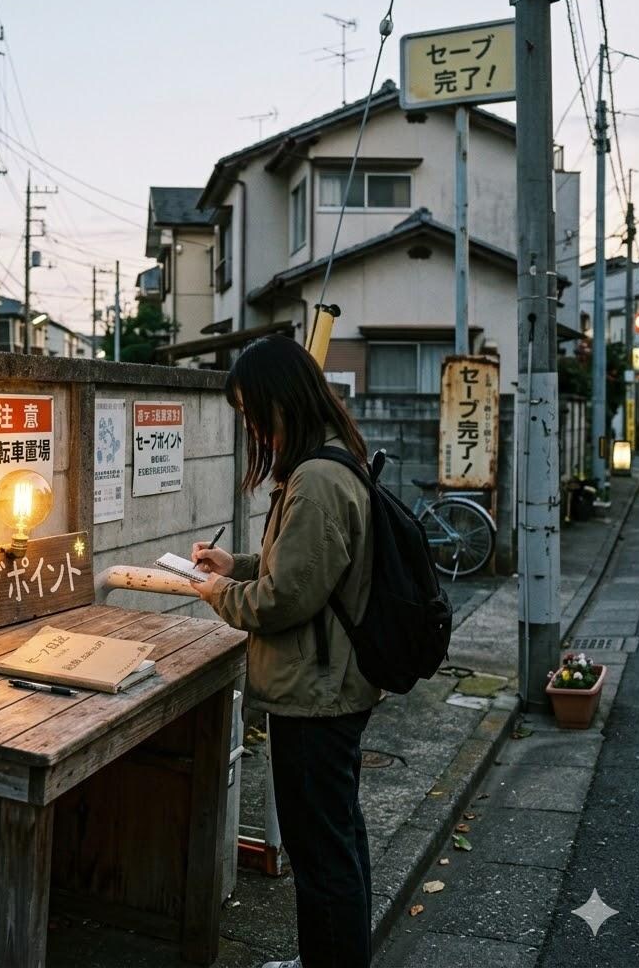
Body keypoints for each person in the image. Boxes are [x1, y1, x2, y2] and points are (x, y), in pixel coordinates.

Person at [188, 334, 380, 968]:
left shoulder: (318, 480)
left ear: (281, 402)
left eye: (252, 412)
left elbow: (280, 601)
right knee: (337, 841)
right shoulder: (326, 462)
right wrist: (235, 562)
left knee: (322, 854)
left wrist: (218, 591)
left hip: (316, 694)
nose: (251, 426)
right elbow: (297, 569)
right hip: (325, 687)